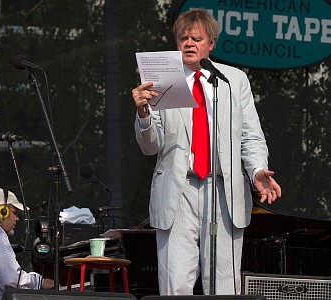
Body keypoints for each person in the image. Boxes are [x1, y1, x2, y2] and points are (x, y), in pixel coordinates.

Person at [132, 9, 281, 296]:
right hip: (180, 189)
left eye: (196, 38)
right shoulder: (163, 78)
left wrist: (258, 170)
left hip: (223, 189)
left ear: (210, 43)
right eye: (183, 38)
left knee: (225, 286)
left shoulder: (232, 80)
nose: (189, 43)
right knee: (175, 285)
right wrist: (143, 112)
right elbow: (150, 146)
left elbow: (250, 136)